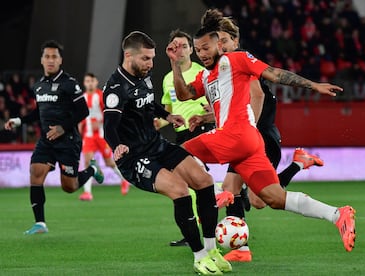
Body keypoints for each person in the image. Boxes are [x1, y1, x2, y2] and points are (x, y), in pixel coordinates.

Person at [165, 11, 356, 256]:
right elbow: (183, 94)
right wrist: (175, 63)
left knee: (175, 155)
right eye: (198, 50)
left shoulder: (237, 60)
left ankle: (213, 210)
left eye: (206, 48)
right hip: (249, 143)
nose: (202, 54)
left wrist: (313, 85)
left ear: (220, 45)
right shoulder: (206, 76)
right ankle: (337, 214)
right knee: (274, 198)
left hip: (235, 135)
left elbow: (275, 74)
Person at [102, 31, 232, 275]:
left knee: (204, 182)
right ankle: (199, 257)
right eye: (145, 59)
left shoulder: (145, 76)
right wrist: (116, 145)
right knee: (180, 191)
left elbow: (148, 103)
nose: (150, 64)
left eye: (152, 59)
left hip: (156, 145)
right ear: (128, 55)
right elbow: (109, 125)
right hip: (134, 158)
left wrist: (166, 115)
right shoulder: (115, 88)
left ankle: (212, 249)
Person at [212, 11, 325, 262]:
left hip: (259, 135)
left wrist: (248, 128)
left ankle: (298, 163)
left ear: (234, 41)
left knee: (258, 199)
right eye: (216, 41)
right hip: (250, 135)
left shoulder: (239, 61)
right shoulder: (223, 70)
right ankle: (241, 250)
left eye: (224, 41)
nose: (220, 46)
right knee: (236, 188)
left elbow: (258, 96)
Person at [4, 40, 104, 235]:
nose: (50, 60)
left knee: (69, 187)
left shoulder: (69, 83)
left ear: (60, 60)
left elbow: (83, 110)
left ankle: (92, 169)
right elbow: (38, 113)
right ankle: (40, 223)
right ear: (42, 60)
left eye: (54, 57)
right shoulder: (39, 86)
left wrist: (63, 128)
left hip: (68, 142)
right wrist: (18, 121)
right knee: (35, 172)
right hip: (46, 141)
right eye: (47, 57)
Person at [157, 29, 216, 247]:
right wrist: (159, 122)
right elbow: (168, 110)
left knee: (197, 179)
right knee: (185, 185)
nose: (179, 50)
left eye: (183, 45)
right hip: (180, 134)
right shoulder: (167, 79)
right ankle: (192, 230)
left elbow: (216, 103)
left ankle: (224, 192)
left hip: (201, 130)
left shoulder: (203, 73)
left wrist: (209, 112)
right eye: (174, 46)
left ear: (192, 49)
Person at [78, 72, 130, 201]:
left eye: (92, 81)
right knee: (87, 162)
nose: (89, 83)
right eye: (87, 81)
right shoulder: (82, 98)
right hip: (89, 136)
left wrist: (100, 122)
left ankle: (124, 180)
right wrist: (80, 125)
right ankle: (88, 193)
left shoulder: (101, 96)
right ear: (84, 83)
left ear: (96, 82)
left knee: (109, 162)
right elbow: (82, 115)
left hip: (102, 135)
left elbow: (109, 113)